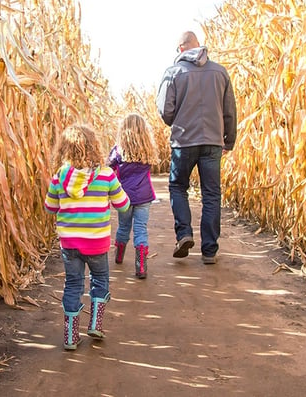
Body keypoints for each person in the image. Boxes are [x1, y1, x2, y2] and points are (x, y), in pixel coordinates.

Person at [44, 124, 130, 351]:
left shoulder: (59, 177)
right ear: (94, 147)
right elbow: (123, 204)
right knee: (100, 280)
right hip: (96, 242)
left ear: (64, 149)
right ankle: (95, 323)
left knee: (73, 284)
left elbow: (49, 207)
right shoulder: (106, 175)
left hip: (70, 243)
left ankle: (71, 337)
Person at [156, 31, 236, 264]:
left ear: (181, 48)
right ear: (199, 46)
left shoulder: (173, 73)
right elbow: (229, 109)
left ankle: (184, 234)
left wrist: (176, 120)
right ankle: (209, 251)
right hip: (212, 141)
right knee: (211, 194)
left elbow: (165, 111)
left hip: (184, 141)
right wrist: (228, 140)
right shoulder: (220, 72)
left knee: (178, 186)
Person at [108, 113, 157, 279]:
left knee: (123, 227)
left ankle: (119, 256)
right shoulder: (147, 150)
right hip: (144, 197)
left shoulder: (117, 151)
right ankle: (141, 266)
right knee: (140, 229)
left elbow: (109, 166)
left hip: (124, 197)